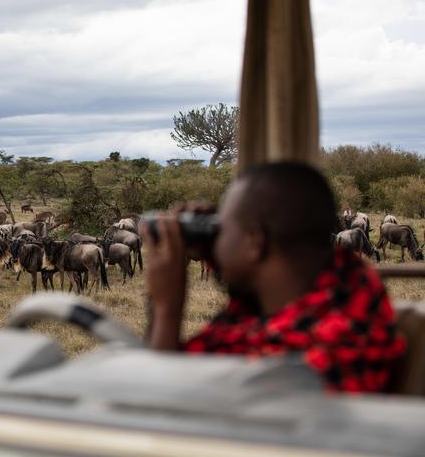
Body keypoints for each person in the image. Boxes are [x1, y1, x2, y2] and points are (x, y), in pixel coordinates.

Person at [141, 162, 404, 393]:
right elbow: (253, 302)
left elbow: (161, 409)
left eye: (224, 228)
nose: (217, 238)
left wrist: (165, 308)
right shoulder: (352, 289)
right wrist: (225, 254)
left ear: (255, 241)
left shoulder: (293, 366)